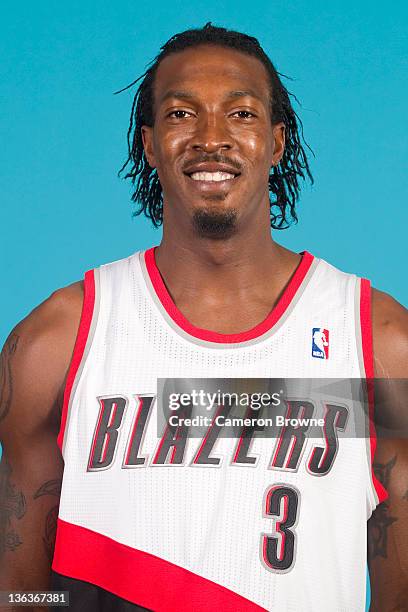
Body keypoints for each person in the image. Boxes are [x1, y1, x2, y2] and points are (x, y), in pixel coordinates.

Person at [0, 22, 407, 612]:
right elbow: (21, 593)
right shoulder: (58, 344)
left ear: (277, 142)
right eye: (181, 114)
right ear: (148, 143)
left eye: (240, 114)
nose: (211, 138)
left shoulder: (377, 344)